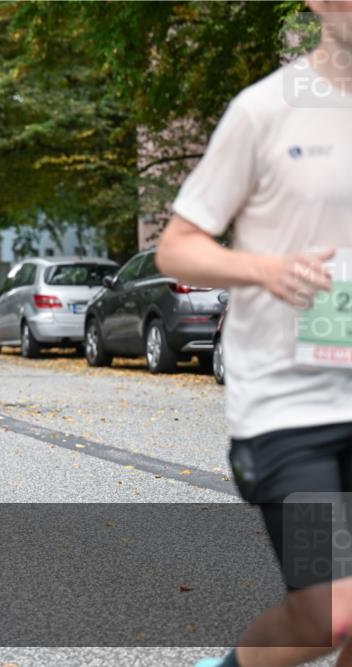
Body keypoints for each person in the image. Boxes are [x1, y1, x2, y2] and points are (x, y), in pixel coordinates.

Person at [156, 5, 352, 666]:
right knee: (329, 614)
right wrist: (264, 269)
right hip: (288, 406)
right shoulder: (264, 111)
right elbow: (176, 249)